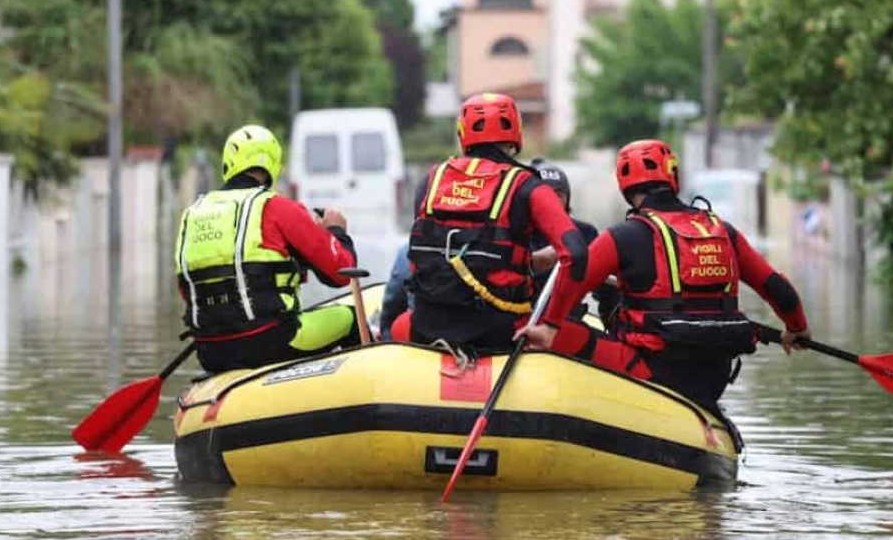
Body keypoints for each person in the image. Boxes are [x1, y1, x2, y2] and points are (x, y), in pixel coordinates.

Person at [518, 138, 811, 413]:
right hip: (716, 375)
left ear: (624, 185)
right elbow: (778, 289)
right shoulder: (723, 231)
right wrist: (797, 327)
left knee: (539, 330)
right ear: (673, 177)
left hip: (654, 372)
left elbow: (572, 283)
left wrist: (548, 327)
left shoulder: (621, 237)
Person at [391, 93, 588, 351]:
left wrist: (530, 262)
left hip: (425, 328)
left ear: (463, 134)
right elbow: (576, 253)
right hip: (501, 335)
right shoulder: (528, 187)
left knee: (398, 324)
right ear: (516, 134)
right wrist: (551, 325)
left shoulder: (431, 180)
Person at [174, 125, 362, 373]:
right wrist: (336, 231)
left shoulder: (192, 214)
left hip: (210, 352)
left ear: (228, 164)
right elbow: (340, 273)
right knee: (351, 319)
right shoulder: (277, 207)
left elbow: (185, 290)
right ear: (274, 164)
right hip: (271, 341)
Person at [528, 157, 616, 323]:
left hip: (568, 321)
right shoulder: (513, 232)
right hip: (522, 318)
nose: (552, 201)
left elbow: (608, 290)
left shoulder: (584, 233)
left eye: (558, 194)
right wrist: (536, 261)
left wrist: (613, 322)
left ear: (567, 198)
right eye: (545, 194)